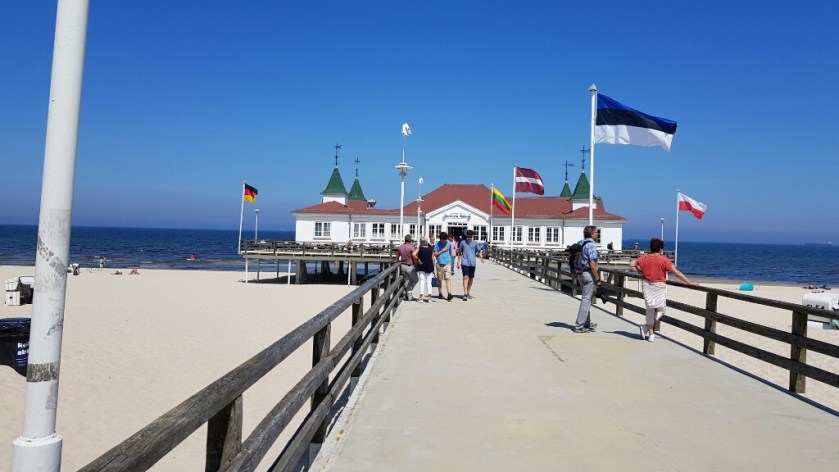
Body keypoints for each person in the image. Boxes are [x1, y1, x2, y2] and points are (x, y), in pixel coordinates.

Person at [629, 238, 697, 342]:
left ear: (651, 248)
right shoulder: (664, 260)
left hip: (647, 285)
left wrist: (640, 272)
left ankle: (650, 332)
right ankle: (648, 330)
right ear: (660, 248)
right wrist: (689, 282)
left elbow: (631, 264)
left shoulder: (644, 258)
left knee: (650, 309)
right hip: (659, 286)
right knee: (662, 309)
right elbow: (677, 273)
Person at [573, 225, 601, 333]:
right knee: (586, 299)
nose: (597, 234)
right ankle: (579, 326)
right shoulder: (591, 245)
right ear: (592, 233)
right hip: (587, 274)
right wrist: (598, 279)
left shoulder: (581, 242)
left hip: (580, 272)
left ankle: (586, 323)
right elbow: (592, 263)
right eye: (596, 232)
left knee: (587, 298)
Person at [457, 230, 484, 300]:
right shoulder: (462, 243)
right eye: (468, 236)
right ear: (466, 236)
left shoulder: (475, 243)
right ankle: (465, 293)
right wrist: (458, 262)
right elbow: (460, 252)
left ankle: (468, 292)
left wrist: (481, 257)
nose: (469, 238)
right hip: (464, 262)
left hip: (472, 263)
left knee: (471, 278)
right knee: (466, 277)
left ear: (472, 237)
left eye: (470, 237)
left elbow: (479, 251)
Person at [412, 237, 435, 302]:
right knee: (429, 282)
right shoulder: (431, 249)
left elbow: (413, 254)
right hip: (429, 266)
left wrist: (418, 259)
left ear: (421, 242)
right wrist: (433, 267)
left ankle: (421, 297)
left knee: (422, 282)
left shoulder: (419, 248)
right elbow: (433, 259)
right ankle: (429, 298)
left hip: (421, 266)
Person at [396, 235, 418, 301]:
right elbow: (414, 256)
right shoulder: (412, 247)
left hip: (402, 265)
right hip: (410, 266)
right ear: (410, 240)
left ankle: (409, 296)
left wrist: (397, 262)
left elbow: (397, 256)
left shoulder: (400, 247)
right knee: (416, 279)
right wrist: (416, 264)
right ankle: (409, 293)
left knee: (407, 281)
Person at [433, 232, 454, 301]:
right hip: (439, 264)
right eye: (442, 240)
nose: (443, 241)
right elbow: (435, 254)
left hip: (447, 263)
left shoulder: (449, 243)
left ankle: (449, 294)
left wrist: (451, 262)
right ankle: (440, 293)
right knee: (440, 280)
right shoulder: (437, 244)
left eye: (444, 240)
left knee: (448, 278)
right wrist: (442, 250)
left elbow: (451, 253)